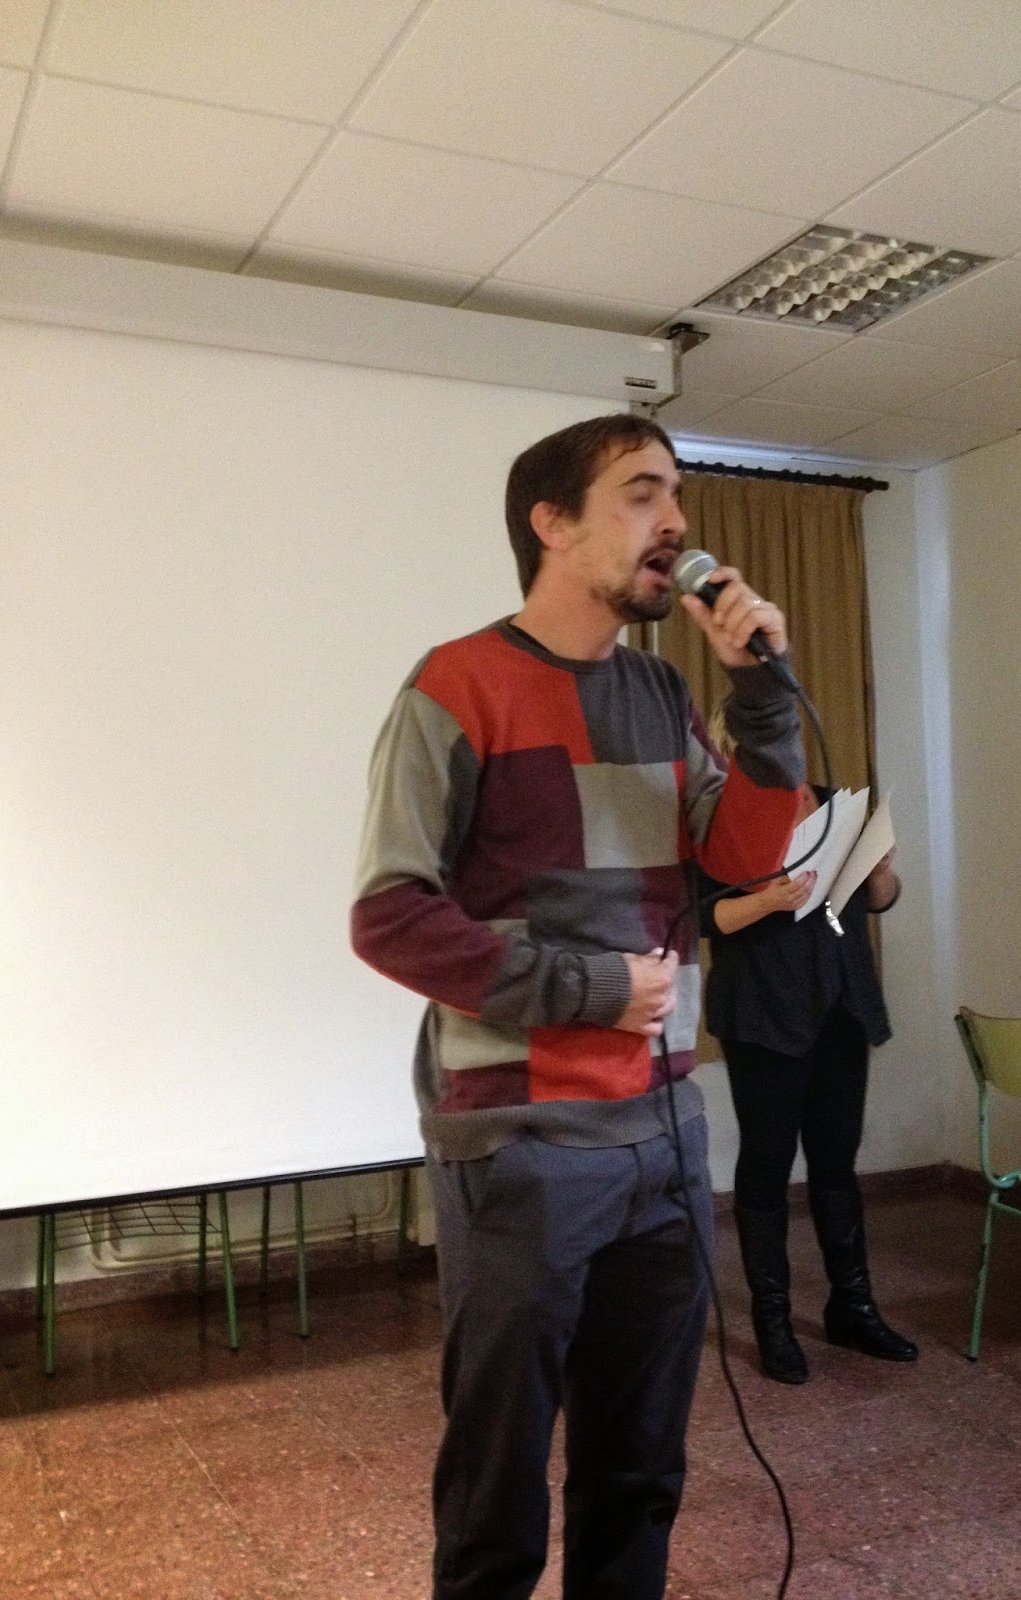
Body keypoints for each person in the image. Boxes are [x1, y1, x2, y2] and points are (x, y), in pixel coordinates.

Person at [350, 413, 805, 1600]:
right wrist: (593, 989)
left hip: (663, 1133)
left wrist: (761, 694)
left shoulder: (661, 689)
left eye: (677, 495)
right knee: (498, 1484)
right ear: (551, 523)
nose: (677, 521)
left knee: (640, 1472)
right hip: (521, 1142)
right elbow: (389, 916)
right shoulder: (457, 684)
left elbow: (744, 854)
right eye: (642, 492)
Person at [697, 777, 918, 1386]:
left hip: (842, 1004)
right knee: (767, 1161)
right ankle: (773, 1322)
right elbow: (703, 915)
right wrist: (766, 902)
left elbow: (879, 898)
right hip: (763, 1009)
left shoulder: (834, 802)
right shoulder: (723, 813)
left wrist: (880, 874)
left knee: (837, 1161)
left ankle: (853, 1307)